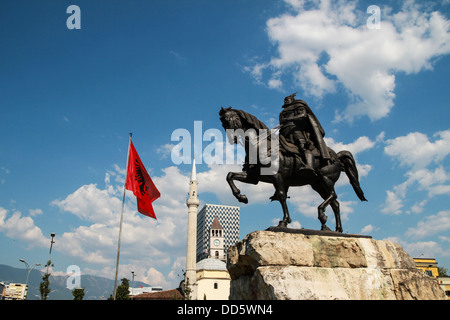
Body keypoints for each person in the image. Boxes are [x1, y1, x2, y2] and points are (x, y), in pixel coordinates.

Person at [278, 93, 331, 170]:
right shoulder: (282, 112)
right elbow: (281, 122)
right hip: (284, 132)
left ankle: (309, 165)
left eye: (287, 99)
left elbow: (303, 115)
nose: (285, 101)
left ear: (292, 100)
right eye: (284, 100)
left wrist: (289, 119)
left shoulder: (299, 106)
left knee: (303, 147)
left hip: (296, 130)